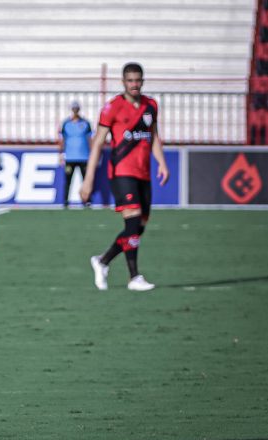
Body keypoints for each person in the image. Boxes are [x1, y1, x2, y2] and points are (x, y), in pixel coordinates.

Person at [80, 62, 169, 291]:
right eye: (130, 81)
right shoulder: (112, 108)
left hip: (144, 173)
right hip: (121, 172)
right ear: (123, 82)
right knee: (132, 221)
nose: (134, 84)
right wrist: (88, 179)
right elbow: (97, 144)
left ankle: (103, 261)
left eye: (137, 80)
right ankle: (134, 277)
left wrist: (162, 162)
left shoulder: (151, 105)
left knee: (138, 228)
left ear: (143, 81)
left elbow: (153, 136)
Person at [58, 100, 92, 208]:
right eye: (74, 108)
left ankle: (87, 200)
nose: (75, 110)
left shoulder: (85, 123)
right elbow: (62, 139)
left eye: (77, 108)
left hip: (84, 156)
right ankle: (66, 201)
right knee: (68, 180)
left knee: (85, 180)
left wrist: (92, 154)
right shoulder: (66, 123)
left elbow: (90, 139)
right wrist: (61, 153)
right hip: (70, 157)